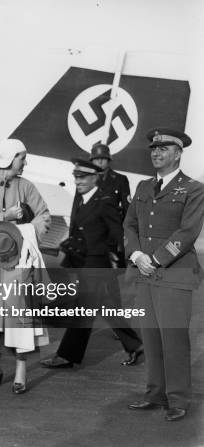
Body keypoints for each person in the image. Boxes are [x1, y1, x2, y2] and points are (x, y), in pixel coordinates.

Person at [124, 128, 204, 422]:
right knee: (152, 338)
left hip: (174, 275)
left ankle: (178, 398)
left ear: (179, 152)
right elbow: (129, 225)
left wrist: (155, 259)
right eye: (153, 149)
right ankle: (154, 393)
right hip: (146, 273)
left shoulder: (193, 189)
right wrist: (136, 255)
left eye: (164, 148)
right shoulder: (143, 187)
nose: (156, 153)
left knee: (173, 338)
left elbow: (187, 233)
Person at [39, 159, 143, 369]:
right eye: (76, 177)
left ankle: (67, 355)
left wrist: (124, 259)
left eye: (83, 177)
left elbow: (117, 232)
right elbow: (77, 230)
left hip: (98, 263)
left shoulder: (104, 201)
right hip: (82, 260)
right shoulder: (80, 199)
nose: (78, 181)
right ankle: (135, 345)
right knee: (105, 305)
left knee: (82, 308)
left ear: (95, 178)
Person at [0, 138, 50, 394]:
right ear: (8, 158)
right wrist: (5, 217)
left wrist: (25, 232)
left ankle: (21, 374)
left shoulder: (27, 187)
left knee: (20, 316)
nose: (25, 162)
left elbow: (44, 216)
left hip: (20, 262)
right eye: (21, 158)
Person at [90, 143, 131, 222]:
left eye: (103, 158)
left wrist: (127, 231)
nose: (100, 161)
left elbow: (127, 208)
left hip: (112, 227)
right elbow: (77, 208)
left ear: (108, 160)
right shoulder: (85, 178)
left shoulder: (121, 180)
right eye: (96, 159)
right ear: (92, 161)